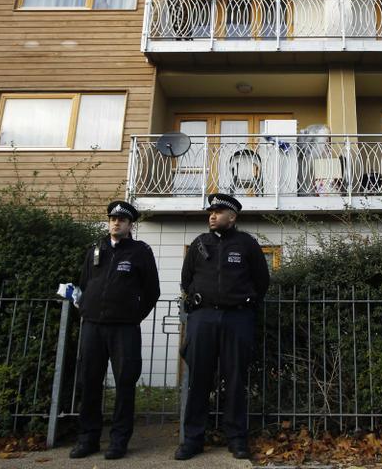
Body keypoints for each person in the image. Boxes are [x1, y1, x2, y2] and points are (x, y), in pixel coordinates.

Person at [174, 193, 270, 461]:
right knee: (198, 380)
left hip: (236, 320)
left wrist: (244, 305)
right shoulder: (199, 244)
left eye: (218, 212)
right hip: (202, 319)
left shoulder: (247, 244)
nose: (212, 216)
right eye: (210, 212)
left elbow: (261, 281)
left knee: (236, 380)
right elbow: (186, 279)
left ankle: (237, 439)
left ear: (232, 217)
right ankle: (192, 439)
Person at [69, 200, 160, 460]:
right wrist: (86, 308)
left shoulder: (140, 252)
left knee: (125, 383)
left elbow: (152, 291)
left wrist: (133, 316)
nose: (115, 223)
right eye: (112, 219)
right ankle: (88, 438)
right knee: (89, 382)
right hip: (93, 327)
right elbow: (84, 283)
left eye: (121, 220)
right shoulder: (95, 250)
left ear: (131, 225)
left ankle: (119, 441)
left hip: (124, 329)